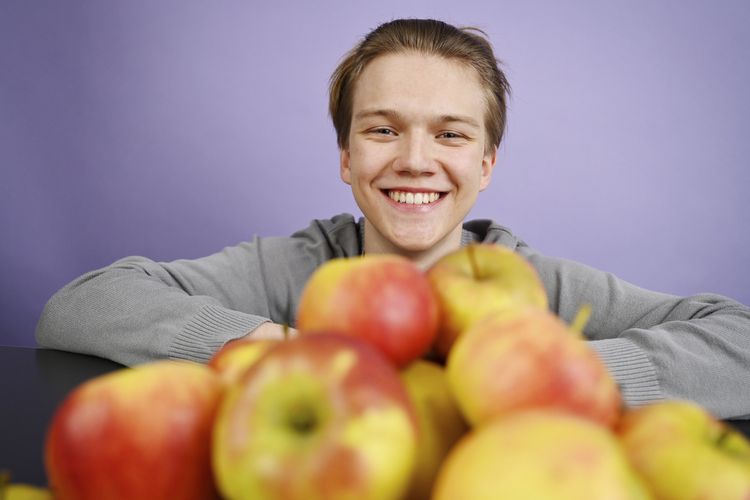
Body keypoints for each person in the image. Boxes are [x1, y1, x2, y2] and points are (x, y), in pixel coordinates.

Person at [36, 18, 750, 419]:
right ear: (345, 157)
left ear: (486, 165)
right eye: (382, 131)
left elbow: (739, 340)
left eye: (450, 134)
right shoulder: (290, 271)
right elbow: (82, 303)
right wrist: (268, 344)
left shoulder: (536, 289)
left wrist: (551, 377)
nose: (415, 160)